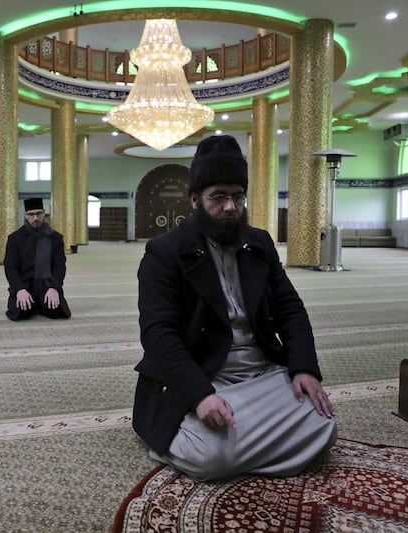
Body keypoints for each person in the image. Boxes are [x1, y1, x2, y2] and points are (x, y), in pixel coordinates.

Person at [133, 135, 337, 481]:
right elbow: (158, 334)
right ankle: (229, 434)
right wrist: (200, 397)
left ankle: (237, 439)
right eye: (218, 197)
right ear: (195, 199)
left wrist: (304, 368)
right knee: (209, 457)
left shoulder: (258, 244)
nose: (230, 207)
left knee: (324, 425)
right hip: (206, 374)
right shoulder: (164, 252)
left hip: (260, 374)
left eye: (237, 196)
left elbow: (290, 308)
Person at [4, 197, 71, 321]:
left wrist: (54, 288)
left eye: (38, 214)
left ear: (44, 213)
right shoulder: (15, 238)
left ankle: (40, 303)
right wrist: (19, 289)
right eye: (31, 214)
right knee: (21, 313)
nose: (35, 218)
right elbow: (10, 268)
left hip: (47, 285)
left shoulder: (55, 238)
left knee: (56, 311)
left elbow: (59, 266)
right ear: (25, 215)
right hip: (25, 285)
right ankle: (34, 303)